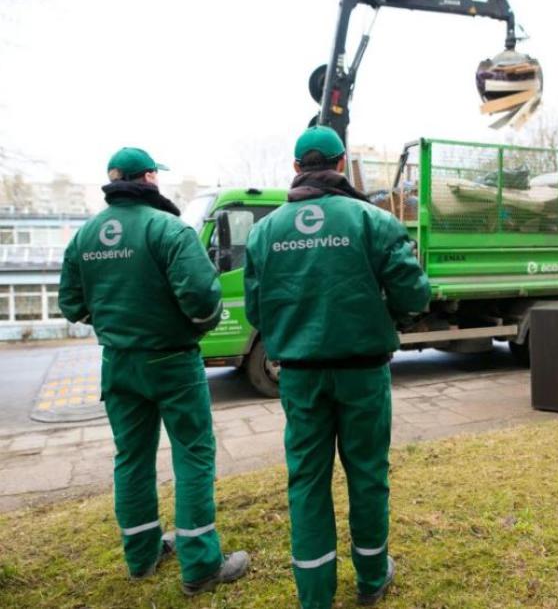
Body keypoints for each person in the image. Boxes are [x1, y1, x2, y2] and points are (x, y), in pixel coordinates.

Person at [244, 126, 431, 609]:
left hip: (300, 376)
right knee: (367, 473)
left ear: (295, 168)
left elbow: (255, 311)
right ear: (342, 163)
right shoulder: (374, 221)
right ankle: (371, 578)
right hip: (363, 373)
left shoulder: (265, 231)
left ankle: (314, 594)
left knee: (306, 479)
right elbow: (415, 294)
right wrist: (389, 313)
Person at [58, 147, 249, 596]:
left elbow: (71, 304)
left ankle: (141, 555)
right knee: (194, 455)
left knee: (132, 458)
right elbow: (203, 299)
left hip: (119, 363)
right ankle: (200, 564)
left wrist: (113, 323)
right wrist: (191, 328)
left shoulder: (84, 235)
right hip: (172, 361)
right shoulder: (168, 229)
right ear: (148, 178)